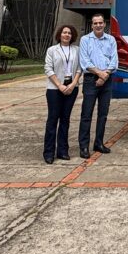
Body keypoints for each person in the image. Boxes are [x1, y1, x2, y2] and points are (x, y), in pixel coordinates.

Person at [78, 13, 118, 159]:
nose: (98, 25)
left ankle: (98, 143)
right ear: (92, 24)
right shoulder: (85, 40)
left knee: (103, 114)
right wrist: (99, 74)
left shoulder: (111, 40)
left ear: (105, 24)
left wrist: (105, 75)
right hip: (90, 80)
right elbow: (84, 61)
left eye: (101, 23)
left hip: (106, 80)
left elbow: (114, 60)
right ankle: (83, 146)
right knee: (86, 115)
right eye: (95, 23)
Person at [43, 25, 82, 163]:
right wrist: (59, 85)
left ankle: (62, 151)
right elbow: (48, 69)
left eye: (69, 33)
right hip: (54, 89)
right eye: (64, 32)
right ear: (59, 35)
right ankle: (48, 152)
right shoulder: (52, 50)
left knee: (65, 120)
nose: (67, 35)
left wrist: (73, 84)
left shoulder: (77, 50)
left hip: (71, 88)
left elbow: (79, 68)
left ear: (72, 36)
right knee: (53, 119)